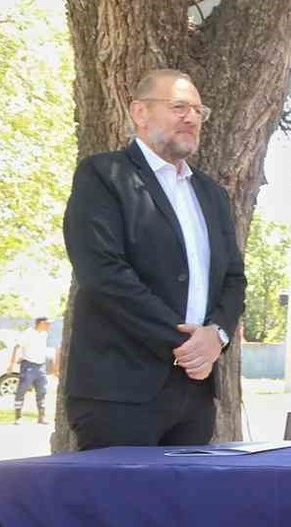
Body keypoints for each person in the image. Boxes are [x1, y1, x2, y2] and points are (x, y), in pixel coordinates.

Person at [62, 69, 246, 450]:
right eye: (179, 107)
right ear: (140, 112)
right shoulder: (103, 175)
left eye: (198, 111)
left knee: (188, 492)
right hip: (119, 393)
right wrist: (185, 343)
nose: (192, 118)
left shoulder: (211, 194)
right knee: (120, 492)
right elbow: (103, 274)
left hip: (194, 395)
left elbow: (234, 278)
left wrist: (217, 336)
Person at [8, 317, 52, 424]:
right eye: (48, 323)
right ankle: (18, 417)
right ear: (41, 323)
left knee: (42, 391)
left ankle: (41, 417)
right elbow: (17, 347)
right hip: (29, 365)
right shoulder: (28, 333)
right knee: (22, 390)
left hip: (40, 366)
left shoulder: (44, 334)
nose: (49, 326)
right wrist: (12, 364)